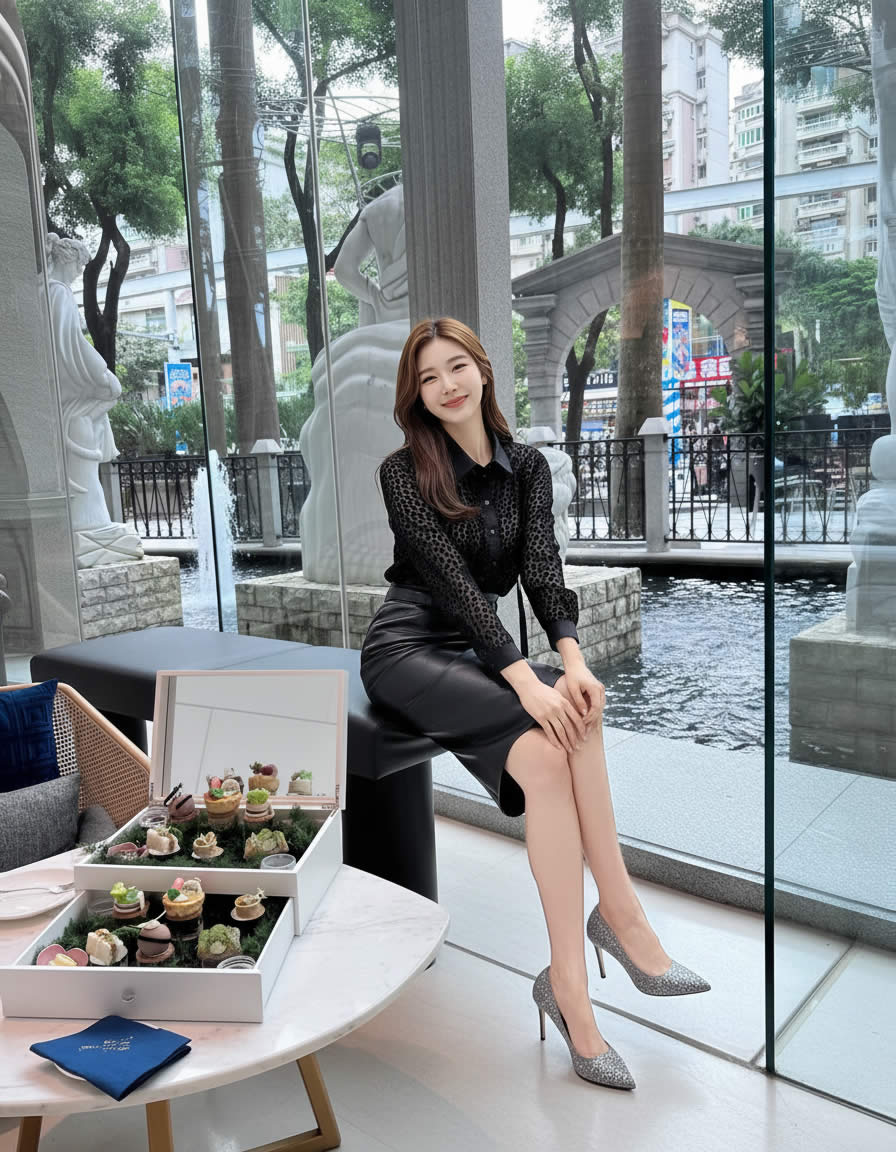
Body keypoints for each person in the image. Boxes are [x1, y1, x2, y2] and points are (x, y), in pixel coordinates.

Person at [360, 317, 709, 1091]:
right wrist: (526, 679)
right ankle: (616, 931)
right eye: (428, 377)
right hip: (407, 647)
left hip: (480, 651)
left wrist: (573, 662)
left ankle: (579, 968)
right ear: (416, 395)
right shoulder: (402, 471)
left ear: (483, 370)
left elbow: (542, 570)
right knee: (552, 727)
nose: (447, 385)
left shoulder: (528, 468)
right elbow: (454, 586)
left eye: (457, 367)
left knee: (573, 722)